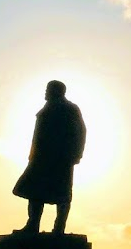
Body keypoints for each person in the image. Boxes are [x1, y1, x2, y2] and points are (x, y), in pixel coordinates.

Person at [12, 80, 86, 234]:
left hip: (60, 159)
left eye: (48, 89)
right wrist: (32, 155)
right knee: (35, 191)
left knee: (62, 194)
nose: (45, 92)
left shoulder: (69, 108)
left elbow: (80, 131)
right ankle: (33, 224)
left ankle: (59, 227)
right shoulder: (48, 108)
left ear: (57, 91)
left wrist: (75, 154)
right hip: (41, 158)